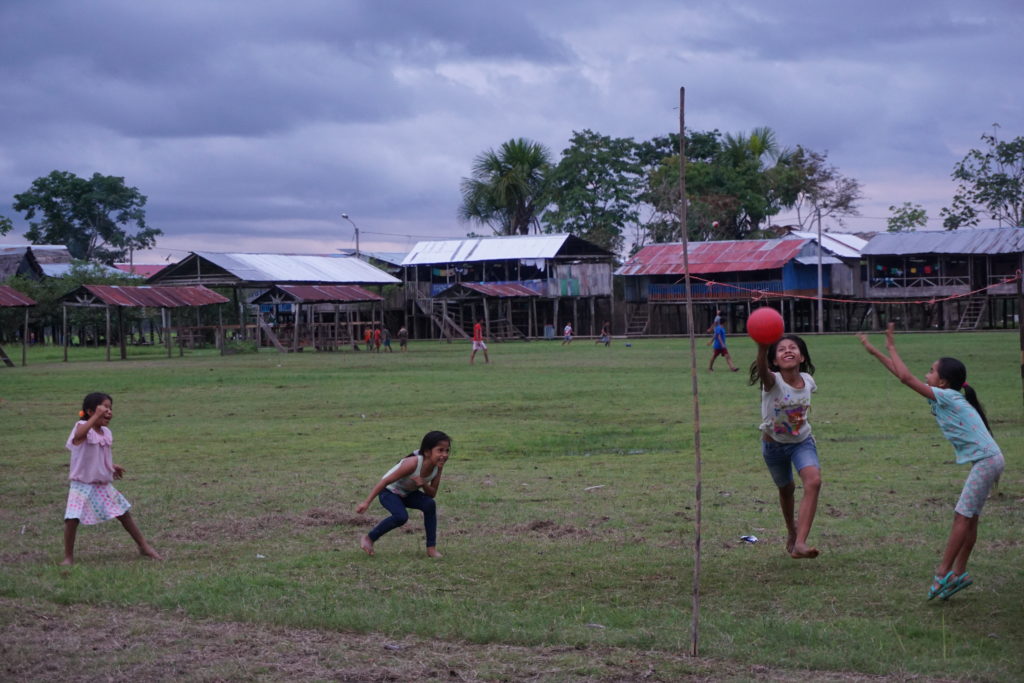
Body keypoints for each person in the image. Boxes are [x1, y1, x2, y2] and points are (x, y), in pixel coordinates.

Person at [859, 324, 1004, 600]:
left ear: (943, 382)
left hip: (987, 461)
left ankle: (942, 574)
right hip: (991, 459)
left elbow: (905, 378)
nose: (926, 375)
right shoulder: (947, 394)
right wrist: (875, 352)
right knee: (970, 519)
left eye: (931, 371)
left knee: (962, 517)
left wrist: (890, 346)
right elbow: (902, 374)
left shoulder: (947, 396)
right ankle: (959, 572)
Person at [61, 392, 162, 566]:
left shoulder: (106, 432)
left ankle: (144, 546)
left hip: (101, 483)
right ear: (90, 411)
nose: (108, 412)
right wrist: (94, 418)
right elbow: (78, 438)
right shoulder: (82, 426)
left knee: (124, 514)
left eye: (110, 408)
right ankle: (68, 557)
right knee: (72, 519)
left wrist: (111, 466)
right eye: (104, 408)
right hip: (81, 484)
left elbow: (100, 454)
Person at [749, 335, 822, 559]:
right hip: (774, 447)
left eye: (793, 348)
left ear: (801, 356)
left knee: (814, 481)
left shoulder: (808, 380)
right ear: (774, 361)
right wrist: (762, 349)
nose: (788, 351)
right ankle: (791, 530)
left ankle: (800, 542)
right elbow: (762, 371)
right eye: (781, 350)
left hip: (802, 442)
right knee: (786, 489)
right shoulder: (772, 381)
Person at [356, 431, 452, 558]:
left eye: (447, 450)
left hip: (408, 493)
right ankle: (369, 538)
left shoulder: (438, 466)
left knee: (430, 504)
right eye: (440, 450)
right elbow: (385, 481)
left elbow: (432, 494)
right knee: (401, 517)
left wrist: (423, 483)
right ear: (428, 452)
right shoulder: (412, 463)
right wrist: (366, 502)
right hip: (389, 492)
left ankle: (431, 549)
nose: (444, 455)